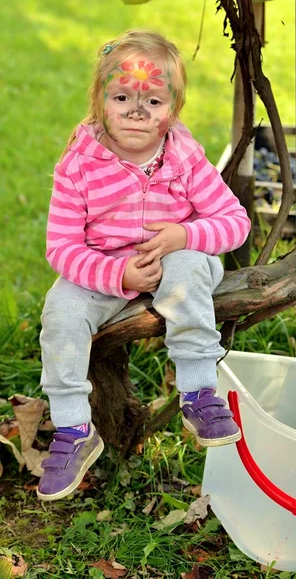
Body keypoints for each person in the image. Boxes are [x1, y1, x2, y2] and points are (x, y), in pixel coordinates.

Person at [37, 29, 251, 501]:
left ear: (172, 109)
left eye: (153, 101)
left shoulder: (183, 157)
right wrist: (118, 275)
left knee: (188, 265)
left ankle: (199, 390)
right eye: (121, 97)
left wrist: (184, 234)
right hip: (104, 272)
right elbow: (61, 247)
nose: (136, 111)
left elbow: (235, 222)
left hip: (176, 261)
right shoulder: (79, 165)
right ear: (98, 102)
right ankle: (73, 428)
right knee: (61, 310)